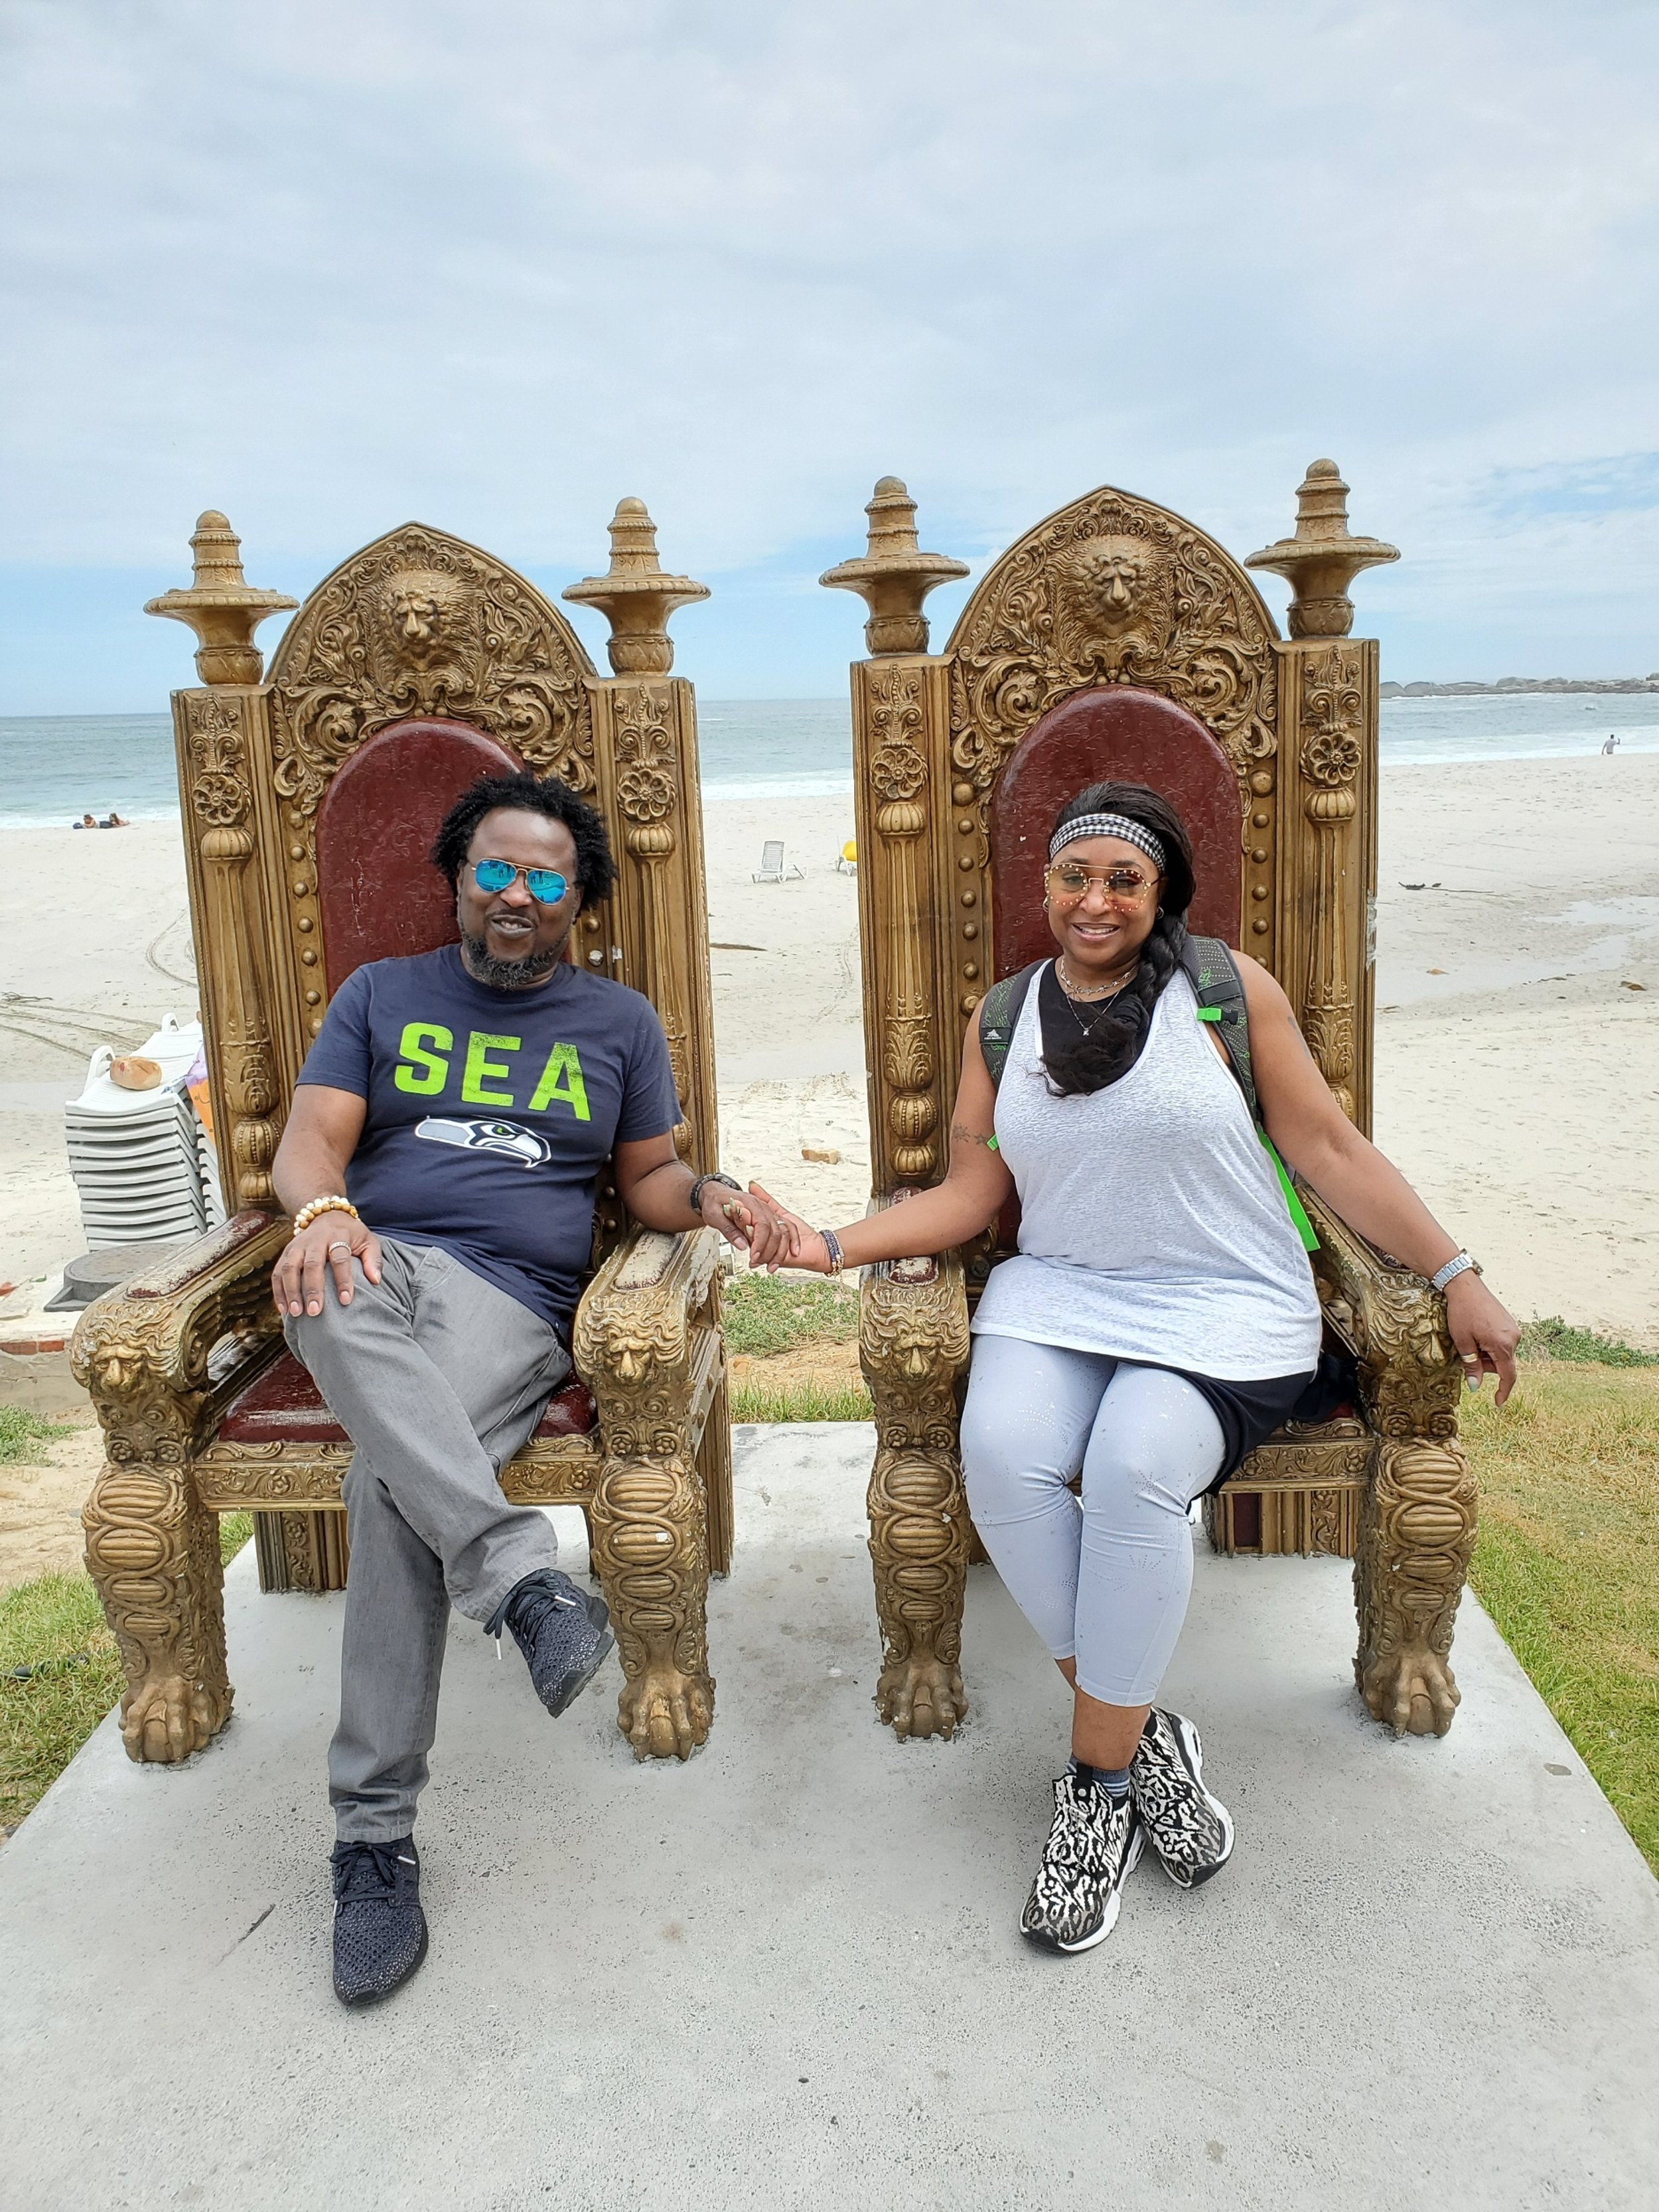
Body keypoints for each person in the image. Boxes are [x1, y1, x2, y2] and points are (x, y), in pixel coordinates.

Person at [757, 780, 1519, 1958]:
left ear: (1160, 889)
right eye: (1073, 877)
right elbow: (972, 1195)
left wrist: (1455, 1268)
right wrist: (827, 1245)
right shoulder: (1003, 1017)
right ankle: (1143, 1731)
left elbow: (1328, 1147)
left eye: (1122, 878)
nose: (1094, 900)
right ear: (1045, 888)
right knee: (1002, 1457)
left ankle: (1094, 1790)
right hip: (1062, 1293)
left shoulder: (1223, 989)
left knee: (1129, 1470)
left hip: (1222, 1301)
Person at [271, 770, 788, 2006]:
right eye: (496, 869)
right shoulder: (380, 995)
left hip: (508, 1303)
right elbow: (309, 1141)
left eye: (545, 878)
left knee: (388, 1480)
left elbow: (650, 1179)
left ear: (576, 902)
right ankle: (522, 1580)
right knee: (331, 1285)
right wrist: (325, 1210)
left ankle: (371, 1840)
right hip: (369, 1265)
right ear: (459, 877)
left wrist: (711, 1192)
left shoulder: (616, 1023)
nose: (517, 894)